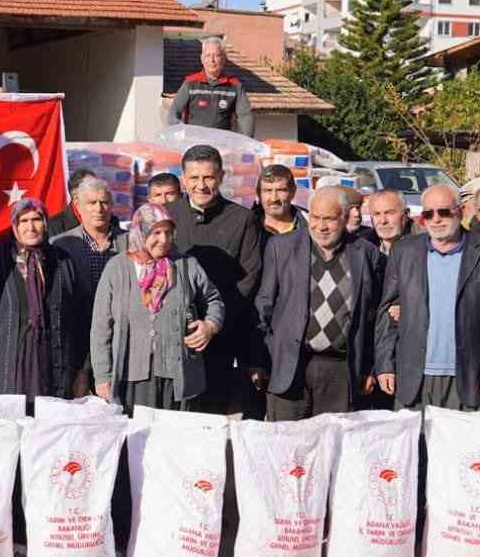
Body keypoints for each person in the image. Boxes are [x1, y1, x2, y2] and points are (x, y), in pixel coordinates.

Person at [375, 183, 480, 412]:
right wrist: (385, 364)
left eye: (444, 212)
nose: (436, 219)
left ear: (461, 211)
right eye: (428, 213)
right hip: (413, 378)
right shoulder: (404, 251)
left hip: (468, 378)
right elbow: (386, 313)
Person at [253, 186, 383, 419]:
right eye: (315, 217)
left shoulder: (367, 254)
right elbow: (264, 306)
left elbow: (375, 318)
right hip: (291, 369)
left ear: (345, 217)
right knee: (288, 439)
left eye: (329, 219)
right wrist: (259, 360)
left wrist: (370, 367)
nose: (321, 226)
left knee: (334, 440)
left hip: (341, 372)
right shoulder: (281, 248)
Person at [90, 202, 225, 409]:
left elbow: (214, 300)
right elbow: (101, 327)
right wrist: (102, 375)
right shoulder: (117, 267)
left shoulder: (186, 265)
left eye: (168, 232)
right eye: (156, 232)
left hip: (178, 374)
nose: (164, 239)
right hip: (132, 376)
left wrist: (210, 326)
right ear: (140, 233)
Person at [167, 145, 264, 416]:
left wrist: (212, 324)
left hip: (219, 339)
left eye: (208, 177)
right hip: (171, 340)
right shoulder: (166, 216)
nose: (201, 185)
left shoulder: (242, 219)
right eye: (194, 178)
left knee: (210, 419)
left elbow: (248, 281)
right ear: (183, 178)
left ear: (221, 177)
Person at [0, 197, 81, 401]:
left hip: (53, 361)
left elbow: (76, 315)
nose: (30, 227)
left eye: (36, 219)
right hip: (9, 362)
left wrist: (80, 368)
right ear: (14, 226)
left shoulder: (62, 260)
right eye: (23, 221)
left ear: (46, 223)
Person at [51, 174, 123, 394]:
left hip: (121, 345)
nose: (99, 209)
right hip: (76, 345)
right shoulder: (60, 246)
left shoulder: (131, 243)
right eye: (92, 203)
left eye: (104, 202)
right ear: (77, 206)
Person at [168, 36, 255, 137]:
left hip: (222, 143)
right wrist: (181, 136)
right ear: (202, 59)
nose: (212, 60)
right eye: (208, 55)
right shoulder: (190, 83)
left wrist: (244, 141)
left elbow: (245, 116)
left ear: (224, 58)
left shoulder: (234, 86)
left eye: (216, 55)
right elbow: (173, 113)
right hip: (195, 143)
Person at [46, 167, 96, 237]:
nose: (98, 190)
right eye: (92, 187)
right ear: (76, 197)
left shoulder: (108, 219)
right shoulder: (53, 226)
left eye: (98, 185)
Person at [259, 164, 305, 237]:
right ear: (259, 194)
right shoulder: (246, 226)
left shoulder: (309, 225)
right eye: (268, 190)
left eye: (281, 190)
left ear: (293, 192)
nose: (274, 199)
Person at [365, 189, 411, 255]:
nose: (383, 221)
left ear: (406, 214)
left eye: (390, 213)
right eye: (377, 214)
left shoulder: (423, 244)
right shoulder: (362, 244)